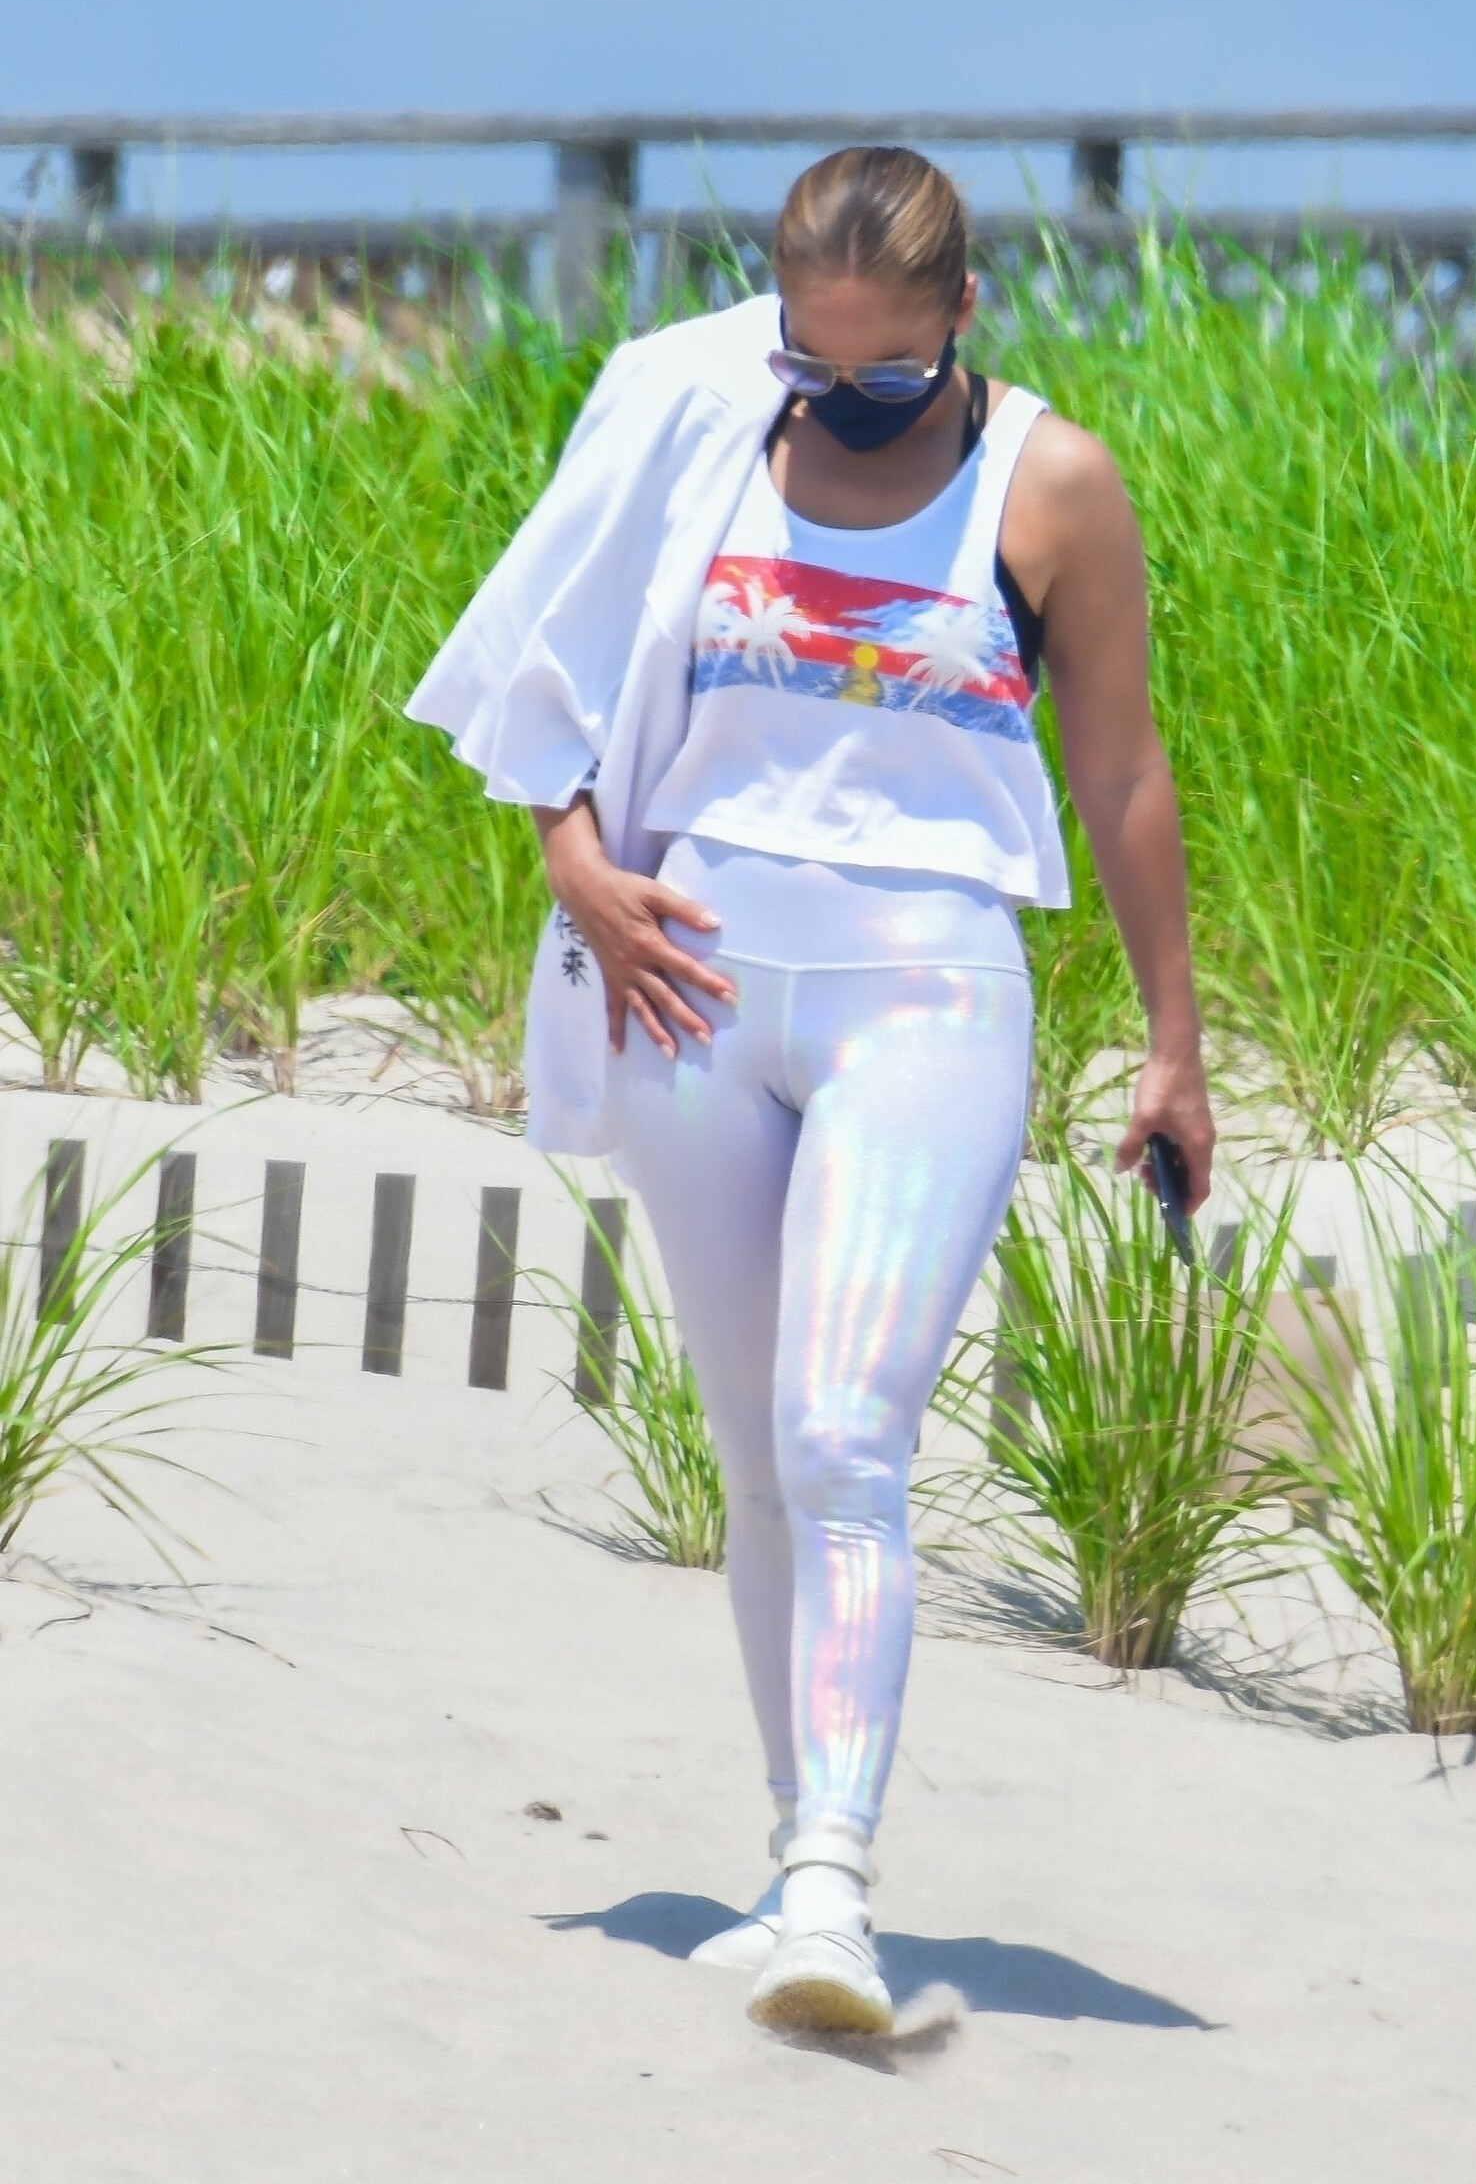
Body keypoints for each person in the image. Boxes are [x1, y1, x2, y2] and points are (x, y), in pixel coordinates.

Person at [407, 146, 1214, 2036]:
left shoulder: (1050, 482)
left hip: (924, 991)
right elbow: (554, 683)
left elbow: (1120, 773)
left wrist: (1175, 1040)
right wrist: (575, 869)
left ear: (964, 316)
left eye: (886, 371)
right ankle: (791, 1859)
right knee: (760, 1454)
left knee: (848, 1436)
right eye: (812, 360)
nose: (842, 399)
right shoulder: (698, 429)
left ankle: (838, 1893)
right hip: (688, 988)